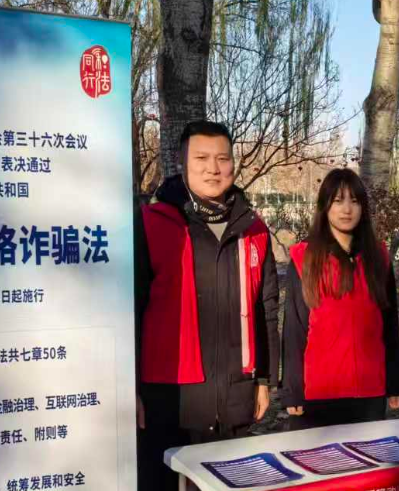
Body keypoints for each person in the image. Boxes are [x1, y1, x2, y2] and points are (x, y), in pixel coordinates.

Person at [135, 121, 280, 491]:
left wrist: (264, 379)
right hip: (168, 399)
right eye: (201, 158)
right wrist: (129, 387)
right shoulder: (151, 224)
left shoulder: (254, 229)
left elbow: (266, 308)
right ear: (181, 163)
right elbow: (131, 311)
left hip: (235, 394)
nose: (213, 168)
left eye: (222, 158)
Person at [279, 168, 399, 430]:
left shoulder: (379, 257)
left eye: (354, 201)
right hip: (319, 392)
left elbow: (390, 324)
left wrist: (395, 381)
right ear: (325, 206)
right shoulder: (304, 258)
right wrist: (292, 390)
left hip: (369, 391)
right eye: (338, 201)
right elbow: (294, 330)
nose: (347, 209)